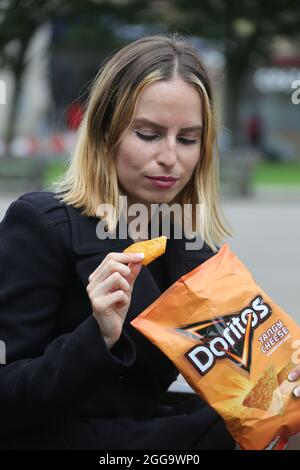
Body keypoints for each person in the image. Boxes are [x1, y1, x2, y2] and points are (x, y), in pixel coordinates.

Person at [0, 33, 235, 450]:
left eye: (187, 139)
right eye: (148, 134)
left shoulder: (191, 248)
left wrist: (279, 376)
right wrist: (99, 336)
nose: (169, 157)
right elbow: (9, 401)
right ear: (105, 131)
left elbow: (239, 379)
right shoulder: (40, 225)